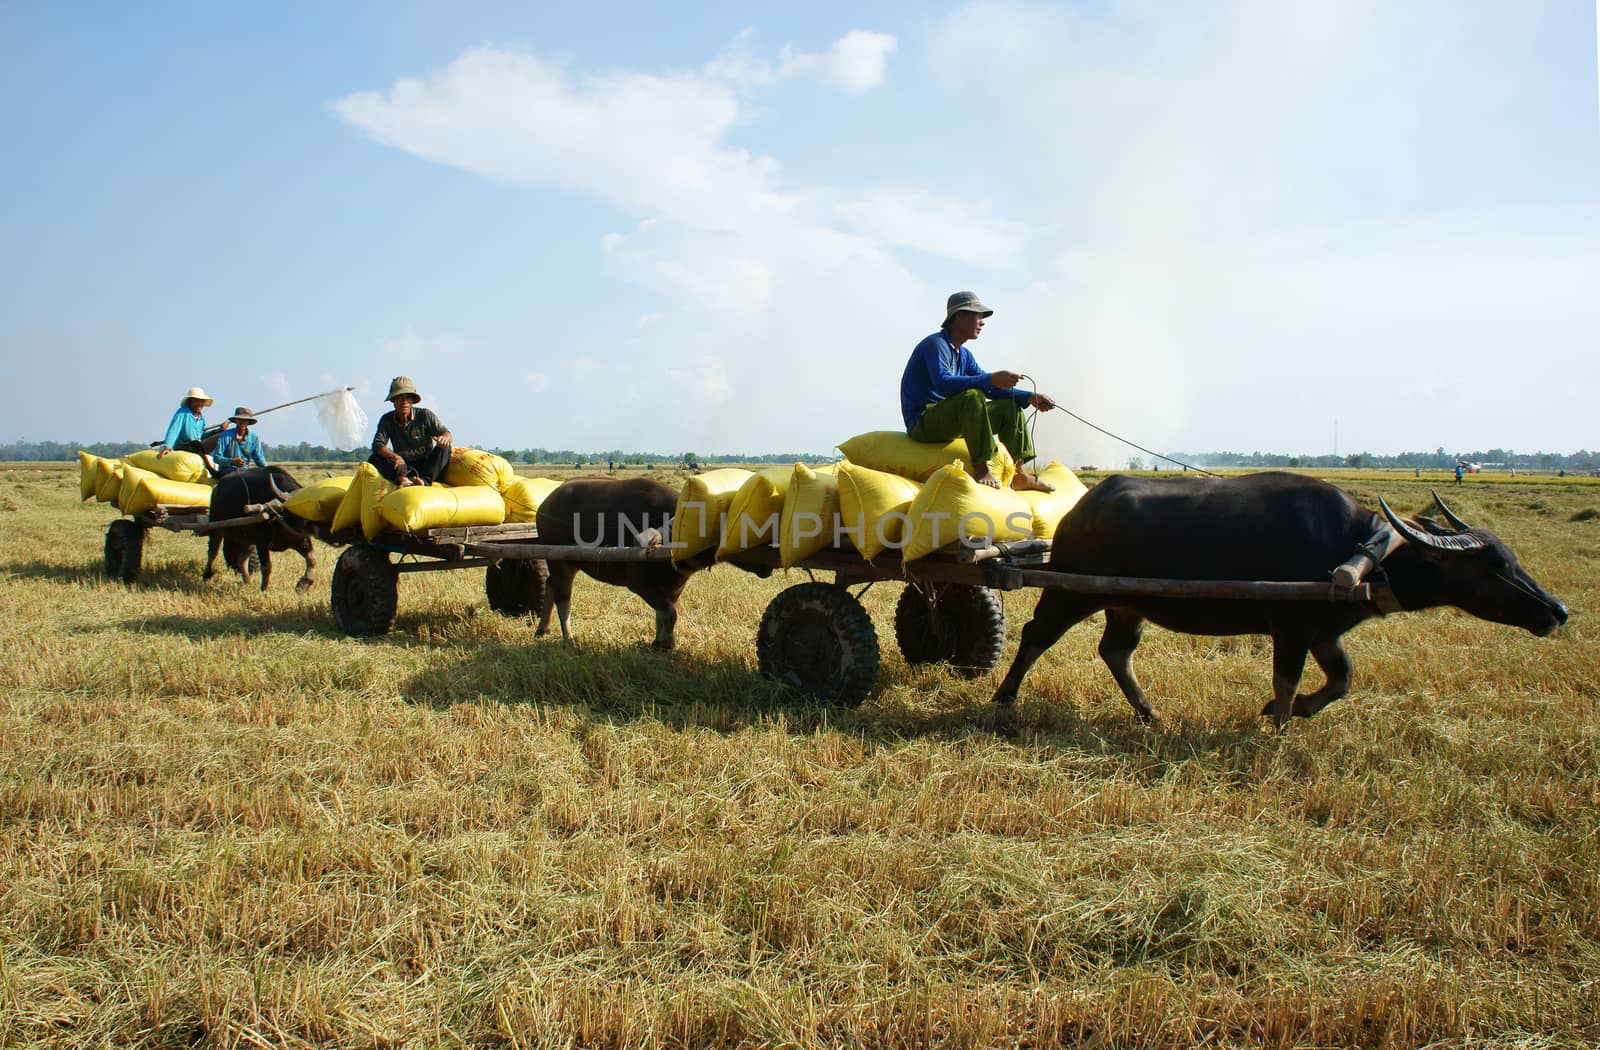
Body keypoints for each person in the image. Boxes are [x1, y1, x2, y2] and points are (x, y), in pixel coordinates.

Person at [900, 291, 1056, 490]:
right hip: (925, 420)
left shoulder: (965, 355)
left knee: (1010, 407)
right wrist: (991, 378)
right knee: (972, 396)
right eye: (978, 315)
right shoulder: (935, 345)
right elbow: (944, 384)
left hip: (953, 418)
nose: (982, 322)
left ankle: (1020, 475)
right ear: (958, 316)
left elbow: (990, 388)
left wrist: (1030, 397)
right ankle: (981, 468)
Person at [368, 376, 452, 486]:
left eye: (408, 398)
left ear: (412, 400)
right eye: (400, 398)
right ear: (393, 400)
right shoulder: (387, 420)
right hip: (403, 467)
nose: (404, 402)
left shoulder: (425, 415)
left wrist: (444, 438)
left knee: (445, 447)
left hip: (427, 465)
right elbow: (377, 444)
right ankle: (402, 480)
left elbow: (446, 433)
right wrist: (396, 457)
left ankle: (425, 481)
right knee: (374, 458)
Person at [157, 386, 221, 473]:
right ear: (190, 402)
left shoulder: (201, 418)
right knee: (195, 444)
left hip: (196, 446)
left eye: (201, 401)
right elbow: (174, 430)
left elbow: (201, 435)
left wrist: (217, 431)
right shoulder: (183, 412)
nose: (199, 404)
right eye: (196, 401)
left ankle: (223, 464)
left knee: (221, 436)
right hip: (182, 446)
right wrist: (167, 447)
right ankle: (210, 469)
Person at [214, 407, 268, 475]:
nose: (242, 422)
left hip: (245, 472)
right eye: (240, 419)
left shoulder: (254, 438)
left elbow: (259, 458)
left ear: (248, 422)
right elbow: (216, 458)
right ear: (236, 420)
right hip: (226, 472)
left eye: (245, 420)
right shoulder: (225, 435)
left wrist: (269, 470)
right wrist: (232, 461)